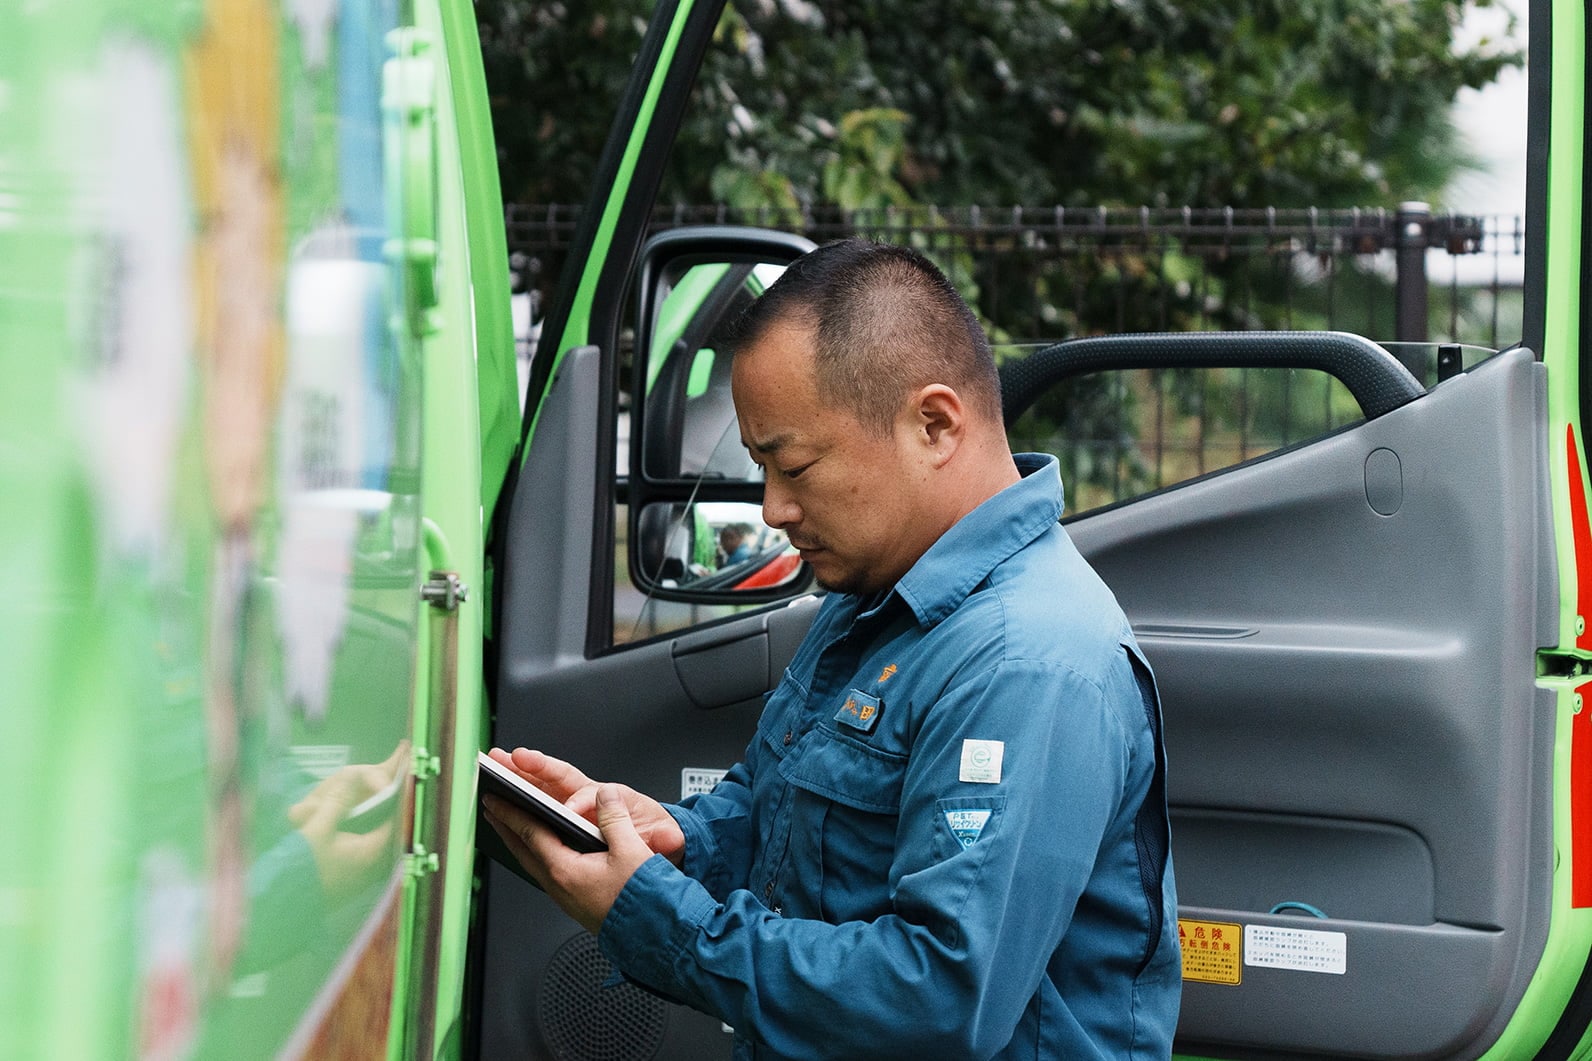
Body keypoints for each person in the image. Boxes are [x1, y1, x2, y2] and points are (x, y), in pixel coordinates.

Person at [482, 239, 1181, 1058]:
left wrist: (659, 917)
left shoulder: (1025, 660)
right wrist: (668, 838)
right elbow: (775, 813)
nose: (774, 508)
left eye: (796, 466)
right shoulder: (873, 597)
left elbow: (936, 997)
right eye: (759, 470)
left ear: (934, 423)